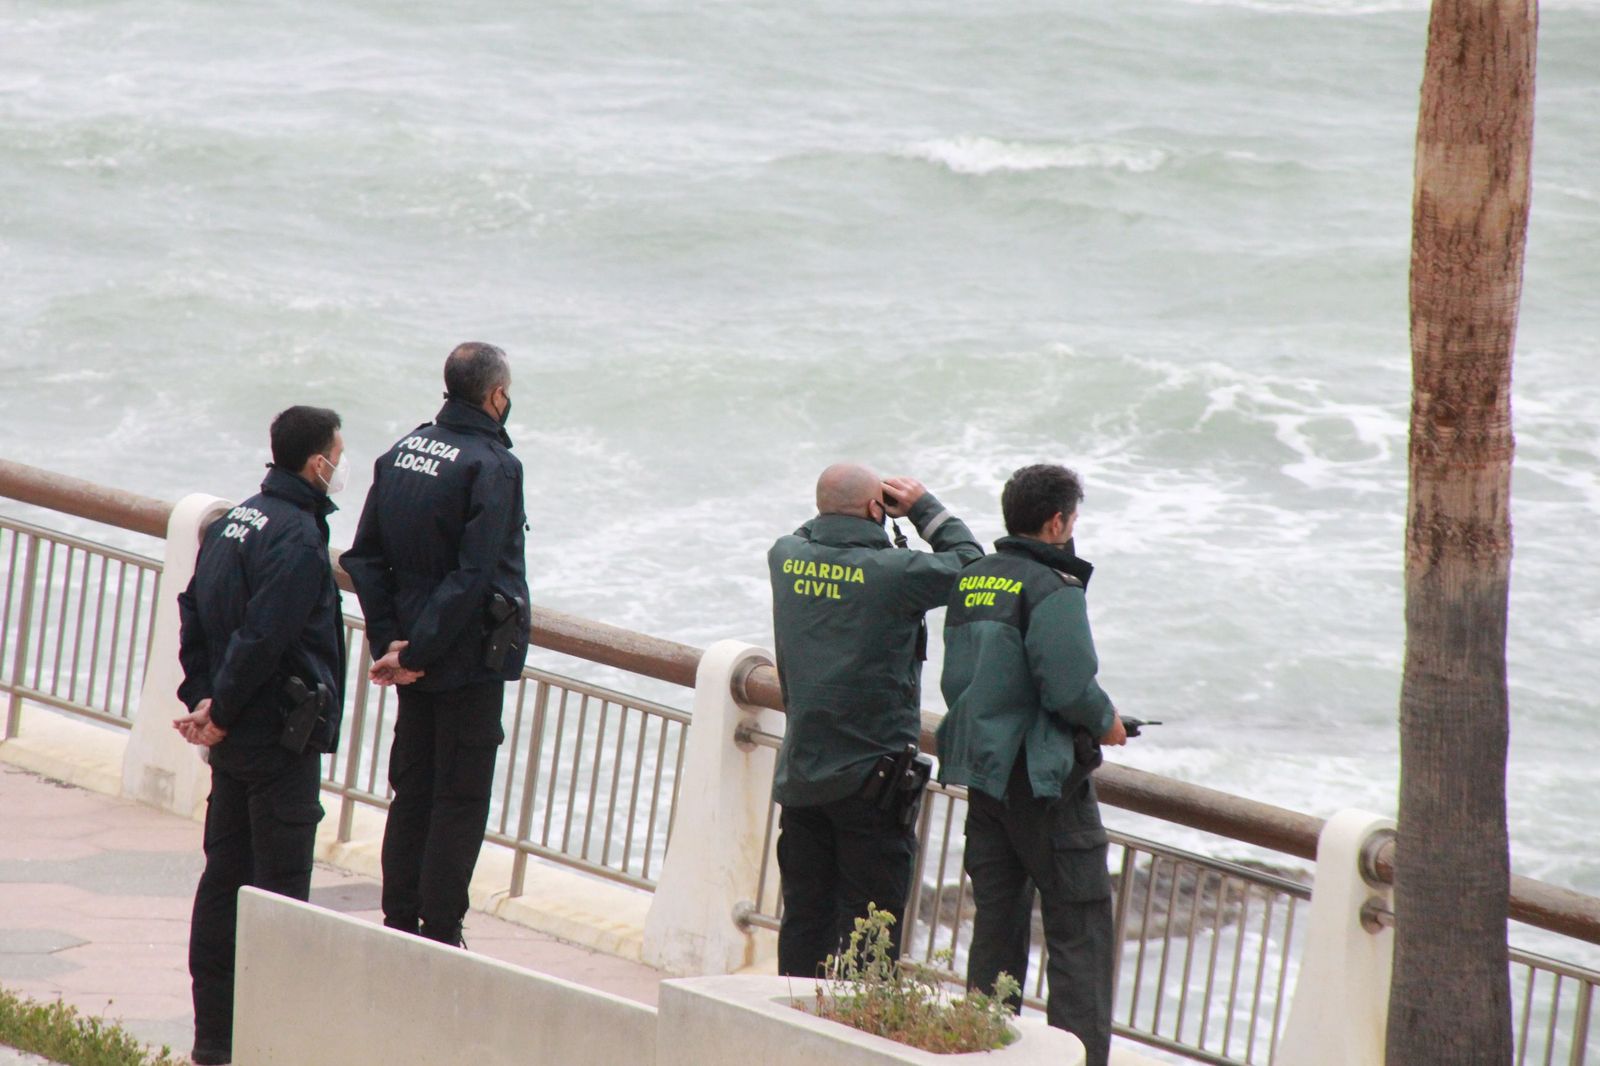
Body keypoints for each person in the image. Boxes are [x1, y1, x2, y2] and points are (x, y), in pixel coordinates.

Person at [174, 405, 349, 1066]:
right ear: (317, 463)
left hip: (233, 740)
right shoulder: (298, 538)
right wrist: (219, 709)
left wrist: (204, 697)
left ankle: (213, 1039)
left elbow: (193, 611)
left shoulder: (232, 522)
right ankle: (267, 1041)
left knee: (224, 880)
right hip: (277, 739)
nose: (340, 468)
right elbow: (265, 636)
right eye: (338, 457)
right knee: (279, 895)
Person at [936, 462, 1126, 1066]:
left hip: (985, 776)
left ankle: (983, 1050)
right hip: (1043, 784)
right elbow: (1067, 685)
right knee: (1079, 933)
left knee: (997, 928)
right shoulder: (1053, 587)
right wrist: (1106, 721)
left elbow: (967, 678)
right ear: (1057, 522)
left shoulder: (974, 580)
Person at [342, 341, 530, 947]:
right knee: (460, 798)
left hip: (410, 659)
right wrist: (417, 652)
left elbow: (363, 558)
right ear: (496, 396)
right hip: (464, 661)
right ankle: (440, 933)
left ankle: (398, 920)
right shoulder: (494, 467)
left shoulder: (400, 452)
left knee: (413, 791)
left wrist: (391, 645)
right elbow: (474, 576)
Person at [767, 463, 982, 978]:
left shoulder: (785, 555)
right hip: (873, 786)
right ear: (874, 507)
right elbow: (973, 568)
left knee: (804, 920)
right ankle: (858, 1022)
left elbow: (813, 530)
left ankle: (789, 1018)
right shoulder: (896, 573)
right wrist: (925, 509)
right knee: (870, 931)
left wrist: (847, 511)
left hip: (802, 776)